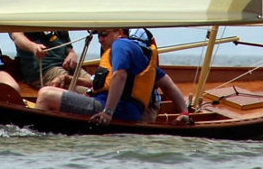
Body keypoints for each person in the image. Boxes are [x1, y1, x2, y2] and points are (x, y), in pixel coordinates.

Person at [34, 28, 192, 125]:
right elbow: (168, 85)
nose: (100, 38)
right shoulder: (140, 57)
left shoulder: (120, 45)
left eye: (104, 33)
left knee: (45, 94)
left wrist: (108, 112)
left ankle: (36, 137)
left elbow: (119, 76)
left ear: (119, 33)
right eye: (98, 35)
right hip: (120, 110)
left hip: (117, 111)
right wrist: (184, 113)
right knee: (51, 92)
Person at [9, 31, 79, 88]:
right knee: (86, 92)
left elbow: (66, 42)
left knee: (89, 82)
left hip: (67, 64)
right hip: (45, 68)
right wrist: (34, 47)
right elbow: (17, 36)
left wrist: (72, 53)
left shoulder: (56, 16)